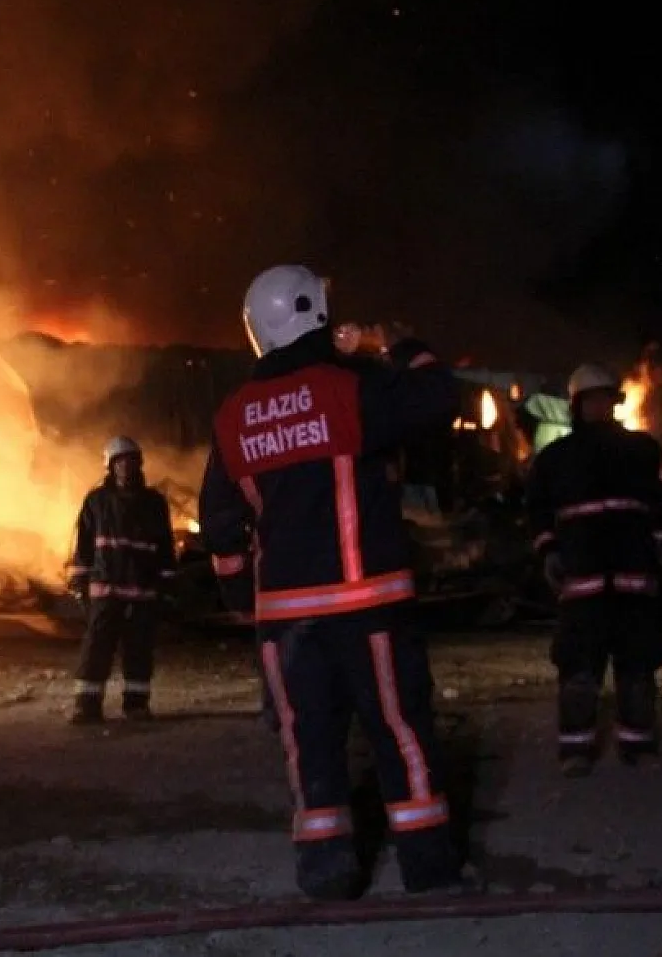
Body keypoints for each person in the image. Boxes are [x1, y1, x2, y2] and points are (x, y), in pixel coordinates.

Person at [197, 264, 475, 901]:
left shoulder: (234, 414)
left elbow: (219, 522)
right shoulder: (349, 388)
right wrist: (397, 343)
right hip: (367, 604)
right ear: (314, 312)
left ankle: (325, 869)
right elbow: (437, 397)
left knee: (308, 740)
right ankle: (428, 868)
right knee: (399, 731)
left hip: (286, 621)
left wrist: (242, 597)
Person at [527, 361, 662, 775]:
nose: (599, 407)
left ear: (615, 401)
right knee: (578, 666)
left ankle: (638, 745)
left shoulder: (642, 450)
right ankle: (576, 749)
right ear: (577, 405)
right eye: (591, 400)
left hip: (633, 576)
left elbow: (660, 501)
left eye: (605, 399)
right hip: (582, 579)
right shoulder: (554, 459)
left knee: (638, 664)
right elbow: (537, 510)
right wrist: (548, 551)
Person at [65, 436, 177, 725]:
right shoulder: (96, 501)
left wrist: (167, 585)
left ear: (139, 464)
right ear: (110, 466)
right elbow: (83, 545)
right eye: (119, 462)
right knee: (96, 647)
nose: (125, 466)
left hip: (142, 590)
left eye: (130, 461)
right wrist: (79, 582)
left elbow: (165, 546)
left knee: (139, 649)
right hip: (106, 589)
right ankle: (87, 706)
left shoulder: (154, 503)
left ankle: (136, 705)